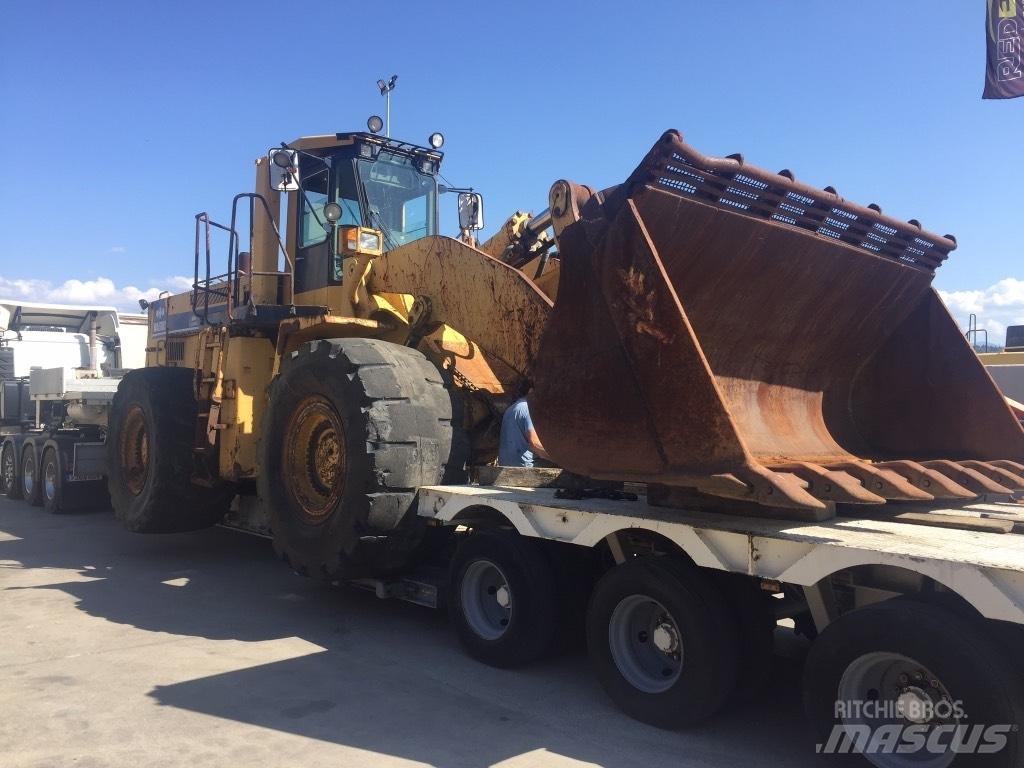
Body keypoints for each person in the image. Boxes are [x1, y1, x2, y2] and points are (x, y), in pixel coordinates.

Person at [497, 393, 549, 467]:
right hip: (526, 465)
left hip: (505, 464)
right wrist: (557, 459)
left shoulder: (511, 408)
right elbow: (535, 444)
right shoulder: (529, 409)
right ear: (531, 390)